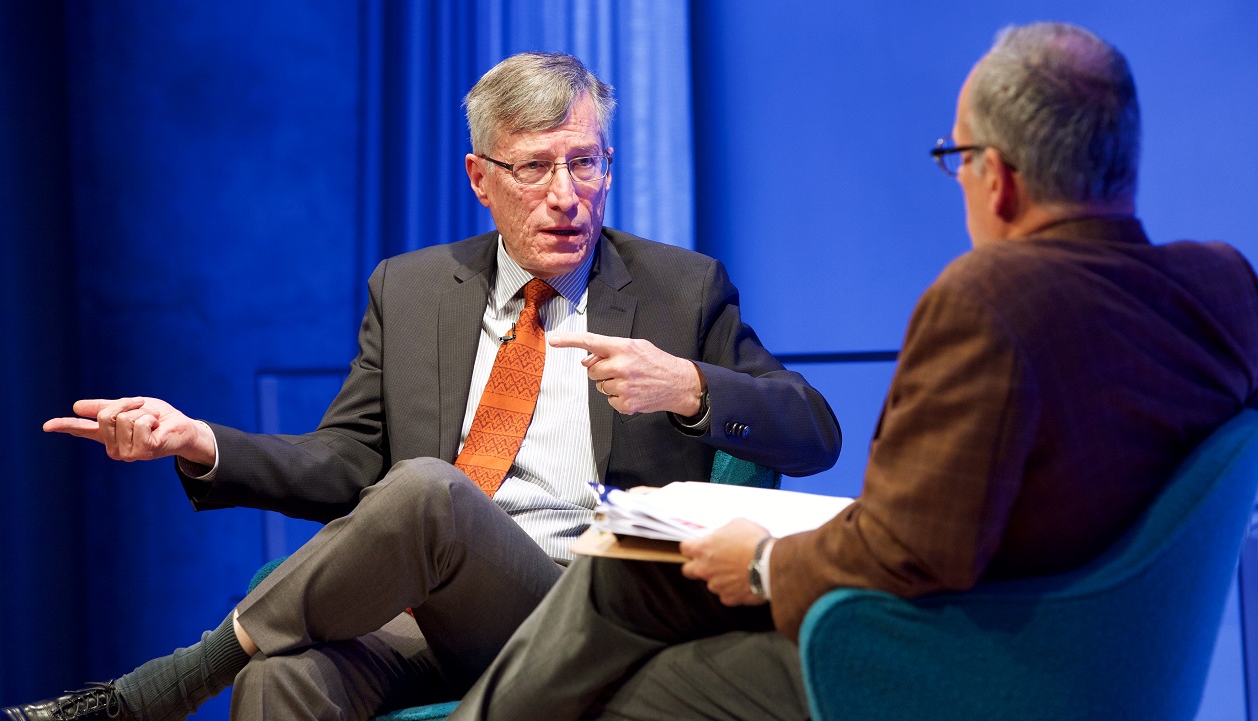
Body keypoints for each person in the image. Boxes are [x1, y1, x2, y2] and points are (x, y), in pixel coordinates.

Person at [0, 52, 841, 721]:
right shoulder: (413, 287)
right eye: (535, 168)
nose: (566, 196)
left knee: (429, 488)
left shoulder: (678, 289)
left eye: (586, 164)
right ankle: (204, 677)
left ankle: (162, 688)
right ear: (480, 179)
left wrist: (690, 383)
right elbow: (347, 462)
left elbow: (812, 430)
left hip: (585, 608)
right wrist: (200, 441)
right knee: (288, 676)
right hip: (430, 610)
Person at [447, 22, 1258, 721]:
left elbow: (913, 550)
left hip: (951, 659)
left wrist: (761, 558)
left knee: (627, 682)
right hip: (1106, 654)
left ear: (998, 178)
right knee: (624, 578)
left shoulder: (990, 299)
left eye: (956, 157)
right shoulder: (1223, 285)